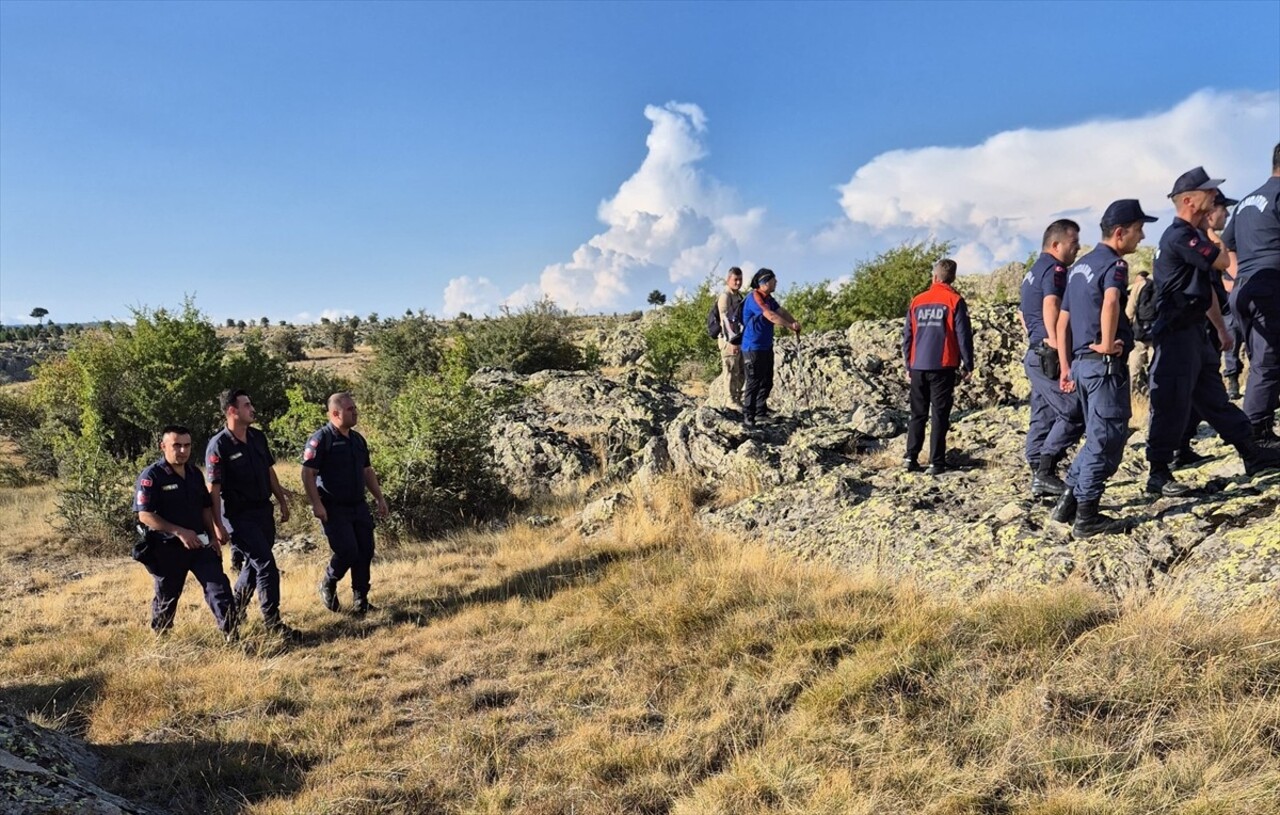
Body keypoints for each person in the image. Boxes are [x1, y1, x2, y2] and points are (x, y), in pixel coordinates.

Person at [1144, 167, 1280, 496]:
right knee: (1172, 402)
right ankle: (1158, 472)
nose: (1216, 199)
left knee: (1214, 400)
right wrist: (1209, 230)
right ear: (1189, 200)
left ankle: (1251, 453)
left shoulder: (1187, 236)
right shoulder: (1181, 235)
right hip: (1176, 333)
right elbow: (1220, 262)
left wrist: (1220, 330)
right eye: (1210, 194)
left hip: (1194, 332)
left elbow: (1203, 292)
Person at [1051, 200, 1154, 537]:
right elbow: (1111, 301)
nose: (1141, 236)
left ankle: (1068, 501)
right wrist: (1109, 343)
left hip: (1081, 365)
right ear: (1120, 232)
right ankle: (1087, 517)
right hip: (1103, 365)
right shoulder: (1114, 264)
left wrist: (1066, 365)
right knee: (1106, 439)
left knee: (1095, 436)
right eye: (1139, 230)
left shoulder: (1080, 266)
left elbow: (1063, 320)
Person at [206, 388, 298, 638]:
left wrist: (282, 500)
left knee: (255, 565)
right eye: (247, 405)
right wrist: (217, 524)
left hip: (262, 510)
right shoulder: (219, 445)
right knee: (266, 565)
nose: (253, 409)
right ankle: (273, 623)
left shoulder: (257, 437)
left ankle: (234, 610)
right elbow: (213, 489)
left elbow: (269, 472)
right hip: (238, 515)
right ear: (232, 411)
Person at [133, 425, 237, 642]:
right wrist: (179, 532)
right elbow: (145, 515)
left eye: (187, 445)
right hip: (167, 548)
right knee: (167, 597)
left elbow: (205, 508)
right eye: (176, 445)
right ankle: (162, 639)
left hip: (200, 544)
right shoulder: (152, 475)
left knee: (219, 588)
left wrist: (213, 536)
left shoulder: (194, 474)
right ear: (163, 447)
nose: (182, 450)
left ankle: (232, 636)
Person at [304, 392, 390, 615]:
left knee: (365, 550)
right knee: (347, 551)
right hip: (333, 507)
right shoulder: (322, 439)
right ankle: (329, 582)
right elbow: (308, 473)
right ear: (335, 413)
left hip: (358, 505)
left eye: (355, 408)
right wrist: (316, 504)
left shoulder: (357, 440)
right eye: (350, 409)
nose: (355, 412)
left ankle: (361, 600)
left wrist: (379, 498)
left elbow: (367, 471)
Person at [1019, 219, 1084, 496]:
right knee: (1073, 410)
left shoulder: (1033, 270)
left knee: (1043, 412)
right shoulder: (1056, 269)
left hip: (1036, 351)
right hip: (1048, 353)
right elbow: (1051, 304)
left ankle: (1039, 472)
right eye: (1073, 243)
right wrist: (1059, 348)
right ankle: (1045, 471)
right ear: (1056, 244)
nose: (1077, 249)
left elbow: (1023, 315)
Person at [1225, 143, 1280, 445]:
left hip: (1245, 288)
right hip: (1268, 287)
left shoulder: (1247, 200)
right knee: (1267, 362)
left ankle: (1261, 425)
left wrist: (1239, 277)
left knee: (1263, 358)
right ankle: (1256, 434)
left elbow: (1226, 244)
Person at [902, 258, 974, 475]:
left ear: (934, 276)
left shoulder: (917, 301)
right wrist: (968, 364)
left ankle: (910, 457)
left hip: (918, 365)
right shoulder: (954, 300)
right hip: (942, 365)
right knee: (939, 414)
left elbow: (907, 335)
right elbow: (963, 335)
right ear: (952, 277)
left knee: (917, 413)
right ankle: (936, 462)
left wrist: (908, 364)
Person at [740, 268, 801, 428]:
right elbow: (771, 315)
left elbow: (780, 311)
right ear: (765, 282)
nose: (776, 282)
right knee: (753, 382)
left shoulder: (769, 298)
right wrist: (789, 326)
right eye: (774, 280)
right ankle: (749, 416)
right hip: (752, 347)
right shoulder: (754, 298)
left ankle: (761, 412)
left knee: (767, 380)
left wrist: (794, 322)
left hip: (766, 346)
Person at [717, 267, 746, 409]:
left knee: (740, 371)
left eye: (740, 279)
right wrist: (733, 341)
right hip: (729, 340)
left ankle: (737, 398)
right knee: (730, 370)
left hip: (738, 340)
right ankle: (730, 400)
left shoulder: (738, 296)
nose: (738, 282)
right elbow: (725, 321)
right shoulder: (725, 297)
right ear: (728, 280)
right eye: (735, 279)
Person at [1126, 271, 1155, 392]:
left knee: (1133, 368)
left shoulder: (1139, 285)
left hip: (1139, 332)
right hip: (1157, 334)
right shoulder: (1163, 282)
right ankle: (1154, 393)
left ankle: (1131, 393)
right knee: (1156, 367)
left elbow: (1129, 310)